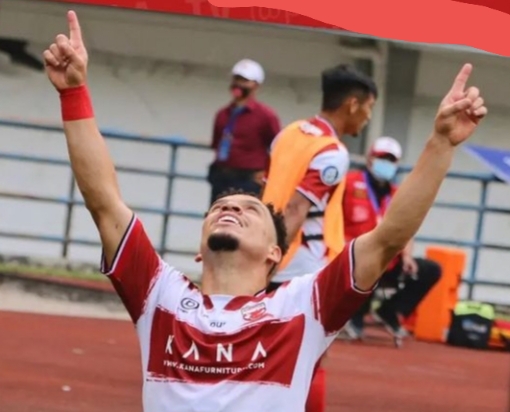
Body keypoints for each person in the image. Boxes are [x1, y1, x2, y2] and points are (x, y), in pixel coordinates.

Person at [43, 10, 487, 412]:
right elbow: (104, 202)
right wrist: (74, 93)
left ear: (275, 253)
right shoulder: (160, 295)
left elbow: (388, 237)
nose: (230, 208)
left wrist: (441, 144)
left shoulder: (303, 304)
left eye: (249, 210)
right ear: (199, 249)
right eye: (220, 207)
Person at [262, 64, 377, 412]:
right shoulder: (332, 152)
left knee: (264, 353)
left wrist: (261, 259)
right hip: (300, 265)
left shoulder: (288, 133)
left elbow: (268, 189)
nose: (368, 117)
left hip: (268, 254)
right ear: (352, 104)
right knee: (310, 358)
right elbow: (296, 208)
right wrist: (272, 263)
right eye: (369, 107)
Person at [341, 136, 442, 340]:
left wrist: (407, 257)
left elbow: (407, 229)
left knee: (430, 270)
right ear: (370, 159)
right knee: (372, 263)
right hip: (354, 255)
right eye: (382, 158)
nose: (386, 163)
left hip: (389, 259)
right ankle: (356, 315)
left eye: (391, 160)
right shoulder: (349, 184)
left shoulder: (399, 194)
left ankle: (389, 311)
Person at [208, 59, 281, 205]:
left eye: (245, 81)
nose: (239, 84)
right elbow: (217, 144)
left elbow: (279, 147)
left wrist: (267, 174)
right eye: (236, 79)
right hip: (222, 177)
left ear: (256, 85)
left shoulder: (265, 116)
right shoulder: (222, 114)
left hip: (248, 181)